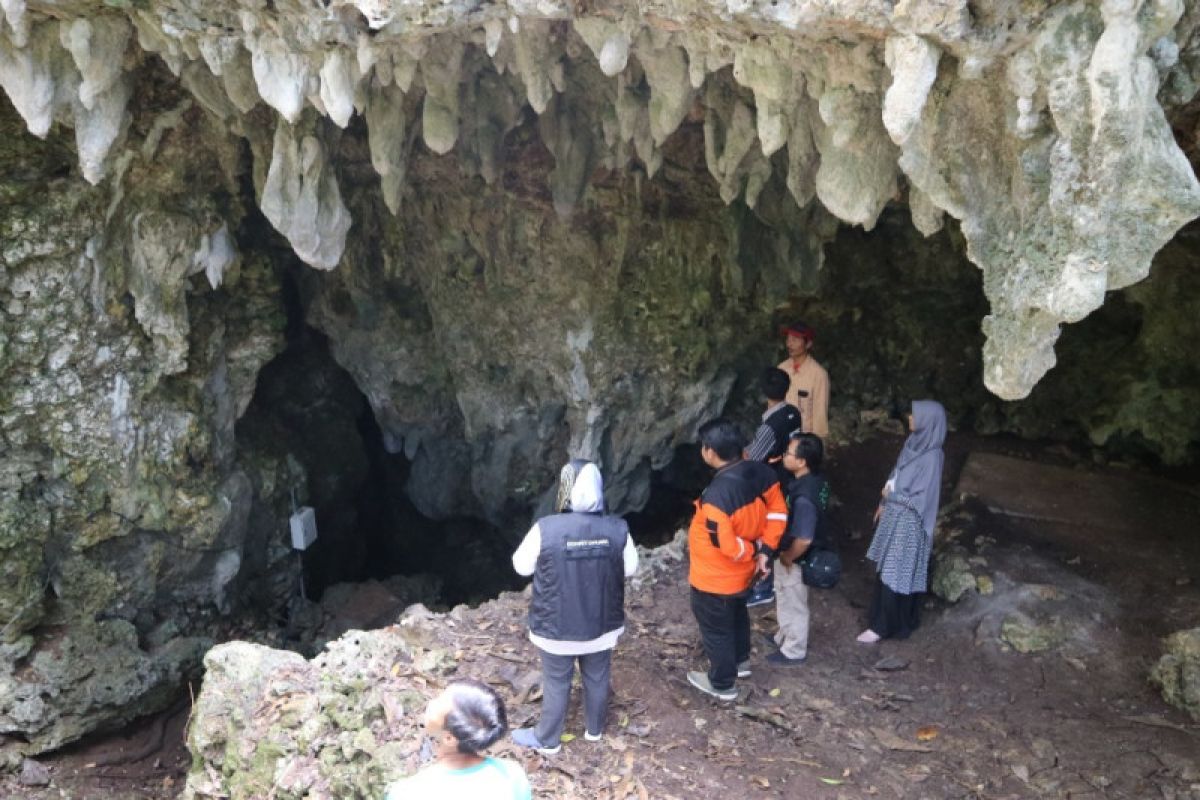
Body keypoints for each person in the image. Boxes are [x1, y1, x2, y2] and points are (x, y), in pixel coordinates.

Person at [510, 461, 638, 754]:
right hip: (602, 624)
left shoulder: (547, 528)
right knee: (597, 674)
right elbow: (630, 568)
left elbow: (520, 566)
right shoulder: (617, 528)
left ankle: (548, 739)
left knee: (557, 680)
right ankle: (594, 730)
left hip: (556, 626)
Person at [686, 419, 788, 701]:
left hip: (715, 577)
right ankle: (740, 661)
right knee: (736, 613)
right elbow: (778, 512)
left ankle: (722, 683)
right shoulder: (764, 474)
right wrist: (766, 550)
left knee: (715, 627)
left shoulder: (718, 496)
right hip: (744, 573)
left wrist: (754, 550)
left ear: (708, 452)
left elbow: (728, 546)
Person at [858, 400, 947, 643]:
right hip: (894, 515)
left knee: (894, 572)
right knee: (887, 569)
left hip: (909, 522)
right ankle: (885, 621)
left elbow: (922, 499)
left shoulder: (932, 456)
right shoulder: (913, 443)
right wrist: (883, 504)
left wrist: (892, 497)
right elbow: (895, 475)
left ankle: (883, 626)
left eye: (915, 416)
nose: (910, 418)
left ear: (928, 422)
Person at [383, 680, 531, 800]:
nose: (432, 703)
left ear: (449, 738)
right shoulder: (512, 776)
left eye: (439, 702)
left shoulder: (406, 793)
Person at [764, 433, 830, 666]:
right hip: (790, 553)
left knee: (794, 600)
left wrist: (788, 556)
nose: (784, 456)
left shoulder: (804, 499)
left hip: (797, 558)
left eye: (789, 453)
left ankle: (794, 650)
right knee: (783, 593)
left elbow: (804, 538)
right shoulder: (814, 480)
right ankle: (784, 633)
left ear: (802, 461)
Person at [745, 367, 802, 608]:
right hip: (790, 474)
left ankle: (763, 587)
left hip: (772, 479)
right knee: (781, 524)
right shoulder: (792, 412)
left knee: (765, 529)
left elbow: (753, 457)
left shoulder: (769, 426)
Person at [777, 322, 830, 439]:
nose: (789, 344)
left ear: (808, 344)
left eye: (795, 340)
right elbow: (774, 404)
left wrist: (813, 445)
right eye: (788, 339)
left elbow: (819, 415)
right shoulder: (781, 368)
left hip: (802, 440)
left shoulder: (819, 375)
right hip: (782, 436)